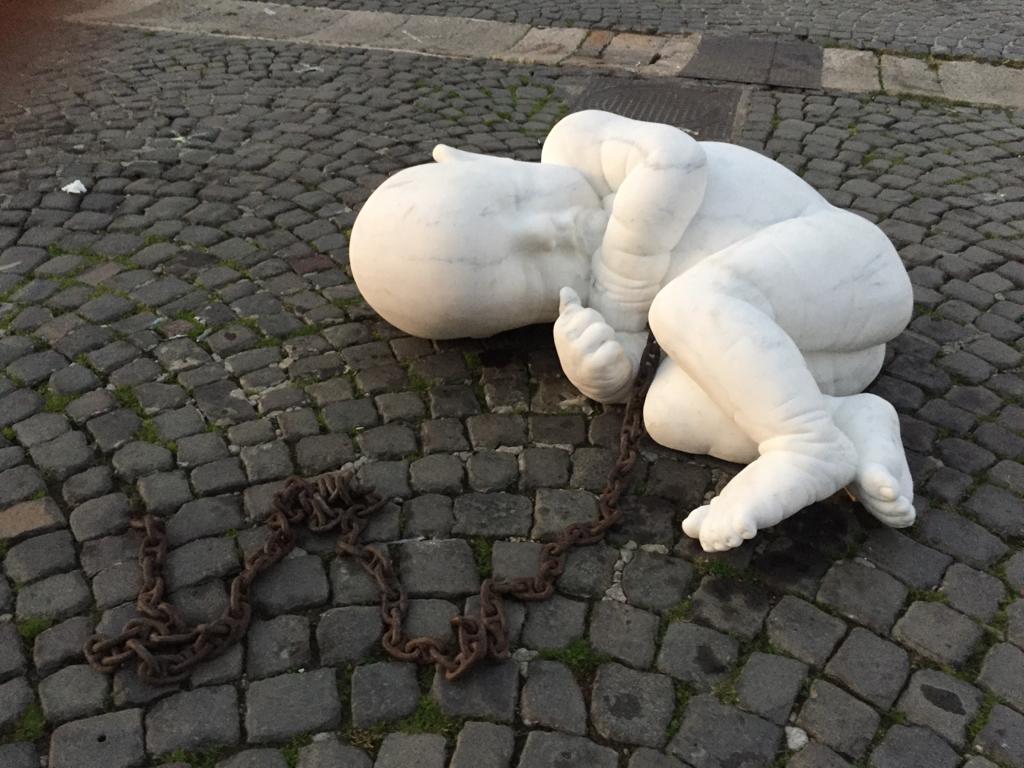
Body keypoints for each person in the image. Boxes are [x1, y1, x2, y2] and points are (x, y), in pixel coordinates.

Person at [350, 109, 916, 552]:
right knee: (664, 409)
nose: (545, 232)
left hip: (853, 272)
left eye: (513, 203)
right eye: (526, 268)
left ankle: (805, 447)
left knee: (687, 302)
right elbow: (645, 369)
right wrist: (603, 376)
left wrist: (620, 295)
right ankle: (846, 420)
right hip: (818, 368)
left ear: (475, 161)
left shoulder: (579, 147)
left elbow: (674, 162)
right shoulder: (590, 303)